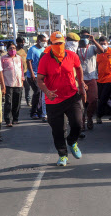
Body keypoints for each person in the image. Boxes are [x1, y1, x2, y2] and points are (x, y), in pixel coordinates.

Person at [37, 31, 86, 166]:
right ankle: (62, 155)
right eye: (55, 44)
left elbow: (79, 68)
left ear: (64, 43)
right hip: (54, 100)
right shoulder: (45, 59)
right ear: (51, 44)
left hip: (71, 96)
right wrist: (47, 91)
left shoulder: (72, 55)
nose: (58, 46)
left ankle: (72, 141)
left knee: (77, 123)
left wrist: (81, 84)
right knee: (58, 130)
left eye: (61, 43)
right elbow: (39, 79)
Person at [77, 30, 104, 130]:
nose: (84, 38)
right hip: (80, 79)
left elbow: (102, 51)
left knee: (93, 99)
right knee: (81, 102)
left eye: (86, 36)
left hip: (91, 78)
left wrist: (94, 40)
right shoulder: (76, 48)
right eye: (82, 36)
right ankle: (82, 121)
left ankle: (89, 117)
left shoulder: (92, 47)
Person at [1, 42, 24, 127]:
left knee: (17, 102)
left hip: (18, 83)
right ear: (7, 50)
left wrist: (22, 80)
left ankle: (15, 119)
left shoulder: (19, 58)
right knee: (8, 102)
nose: (12, 50)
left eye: (14, 48)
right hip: (8, 83)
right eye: (10, 48)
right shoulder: (3, 58)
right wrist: (2, 84)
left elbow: (21, 70)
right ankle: (8, 120)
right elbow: (1, 71)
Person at [27, 34, 47, 119]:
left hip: (41, 74)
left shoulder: (44, 49)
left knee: (40, 94)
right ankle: (33, 112)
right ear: (38, 40)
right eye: (43, 41)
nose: (44, 43)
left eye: (45, 41)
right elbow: (28, 62)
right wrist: (32, 73)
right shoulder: (32, 49)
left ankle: (39, 111)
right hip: (33, 75)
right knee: (37, 92)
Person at [96, 36, 111, 124]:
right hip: (99, 78)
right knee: (102, 97)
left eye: (104, 44)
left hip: (110, 78)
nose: (103, 45)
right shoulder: (97, 53)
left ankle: (98, 116)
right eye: (101, 44)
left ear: (107, 44)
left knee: (103, 98)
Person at [16, 37, 30, 106]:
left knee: (27, 87)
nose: (22, 44)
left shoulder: (24, 49)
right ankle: (18, 102)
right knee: (20, 89)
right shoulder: (15, 50)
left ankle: (28, 101)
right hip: (18, 72)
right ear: (17, 43)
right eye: (21, 42)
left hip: (25, 71)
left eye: (23, 42)